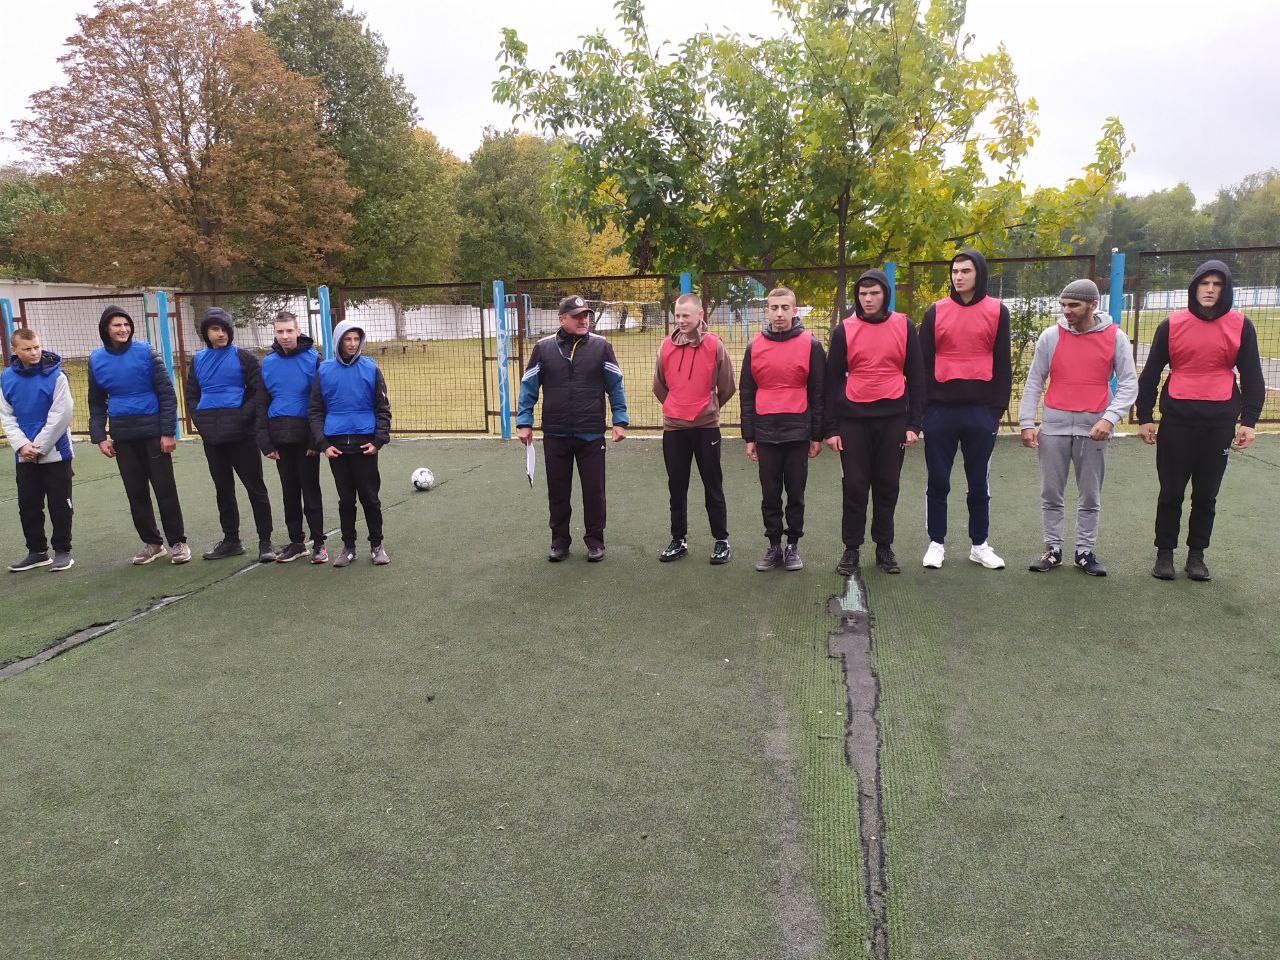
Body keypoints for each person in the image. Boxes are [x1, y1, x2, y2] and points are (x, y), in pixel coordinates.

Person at [1136, 260, 1265, 582]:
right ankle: (1164, 554)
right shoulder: (1172, 324)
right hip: (1176, 422)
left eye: (1217, 284)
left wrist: (1249, 421)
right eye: (1204, 283)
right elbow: (1150, 374)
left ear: (1226, 289)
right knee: (1171, 492)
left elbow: (1252, 377)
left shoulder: (1241, 326)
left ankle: (1196, 556)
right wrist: (1144, 417)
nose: (1209, 289)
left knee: (1206, 495)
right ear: (1194, 287)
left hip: (1218, 425)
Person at [1018, 279, 1138, 577]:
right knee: (1050, 493)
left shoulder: (1115, 337)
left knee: (1090, 496)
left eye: (1074, 305)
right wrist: (1027, 423)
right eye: (1064, 305)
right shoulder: (1050, 336)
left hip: (1094, 429)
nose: (1067, 311)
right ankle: (1052, 549)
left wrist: (1109, 418)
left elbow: (1128, 383)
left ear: (1093, 305)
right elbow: (1034, 381)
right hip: (1053, 428)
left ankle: (1084, 552)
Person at [823, 270, 925, 576]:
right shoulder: (844, 330)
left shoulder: (904, 326)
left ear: (885, 295)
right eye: (863, 293)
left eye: (874, 293)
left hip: (893, 419)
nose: (868, 299)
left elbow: (917, 377)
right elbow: (831, 382)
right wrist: (831, 428)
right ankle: (851, 548)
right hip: (853, 420)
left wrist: (914, 424)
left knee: (887, 484)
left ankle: (884, 547)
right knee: (854, 485)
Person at [516, 295, 629, 563]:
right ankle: (559, 542)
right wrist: (524, 421)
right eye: (577, 316)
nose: (583, 320)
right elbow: (529, 386)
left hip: (591, 433)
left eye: (586, 315)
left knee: (594, 491)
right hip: (555, 433)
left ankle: (595, 541)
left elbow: (615, 385)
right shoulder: (543, 348)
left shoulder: (601, 347)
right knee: (558, 492)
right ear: (562, 319)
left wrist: (620, 419)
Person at [919, 249, 1012, 570]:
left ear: (979, 274)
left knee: (978, 483)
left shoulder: (997, 311)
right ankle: (936, 543)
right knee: (938, 481)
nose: (958, 277)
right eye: (955, 271)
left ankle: (979, 545)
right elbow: (922, 364)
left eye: (965, 271)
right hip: (940, 413)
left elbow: (1002, 362)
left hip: (981, 412)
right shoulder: (935, 312)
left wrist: (996, 410)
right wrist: (923, 411)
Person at [88, 305, 190, 564]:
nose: (123, 329)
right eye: (117, 325)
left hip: (153, 433)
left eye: (126, 324)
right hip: (123, 436)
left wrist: (167, 432)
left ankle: (178, 542)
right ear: (106, 329)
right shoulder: (96, 359)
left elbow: (167, 393)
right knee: (136, 492)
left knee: (165, 490)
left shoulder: (146, 352)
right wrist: (100, 436)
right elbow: (96, 402)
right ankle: (153, 543)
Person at [740, 287, 825, 572]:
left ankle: (793, 547)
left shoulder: (811, 345)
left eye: (785, 308)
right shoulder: (754, 346)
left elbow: (818, 393)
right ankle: (774, 545)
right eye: (774, 308)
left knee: (796, 494)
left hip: (798, 432)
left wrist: (816, 435)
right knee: (770, 494)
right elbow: (747, 393)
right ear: (766, 312)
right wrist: (749, 436)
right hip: (766, 432)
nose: (779, 313)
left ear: (794, 311)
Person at [653, 292, 737, 565]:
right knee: (676, 487)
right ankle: (678, 539)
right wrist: (675, 408)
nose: (680, 320)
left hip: (706, 428)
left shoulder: (714, 345)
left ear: (700, 315)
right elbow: (659, 386)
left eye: (685, 315)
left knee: (713, 485)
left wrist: (708, 409)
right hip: (674, 429)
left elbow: (727, 386)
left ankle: (721, 540)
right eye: (677, 315)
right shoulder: (666, 346)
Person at [186, 307, 275, 562]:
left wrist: (240, 418)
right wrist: (202, 422)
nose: (221, 334)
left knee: (256, 489)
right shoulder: (198, 360)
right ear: (206, 333)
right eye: (215, 329)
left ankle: (265, 542)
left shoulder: (244, 358)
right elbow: (192, 395)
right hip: (213, 440)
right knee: (223, 491)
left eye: (225, 329)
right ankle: (231, 541)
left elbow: (258, 393)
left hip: (242, 437)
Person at [309, 318, 392, 568]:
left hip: (365, 446)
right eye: (347, 339)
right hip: (337, 448)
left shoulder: (371, 368)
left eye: (356, 339)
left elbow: (383, 408)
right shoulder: (324, 371)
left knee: (370, 498)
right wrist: (324, 444)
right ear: (338, 341)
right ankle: (348, 547)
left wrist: (378, 441)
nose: (353, 344)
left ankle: (377, 545)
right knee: (346, 500)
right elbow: (315, 410)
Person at [2, 328, 75, 572]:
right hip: (24, 455)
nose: (34, 352)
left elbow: (61, 414)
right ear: (14, 350)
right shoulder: (6, 378)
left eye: (36, 347)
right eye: (27, 349)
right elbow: (7, 415)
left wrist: (39, 446)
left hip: (56, 453)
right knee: (28, 505)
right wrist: (22, 445)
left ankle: (63, 551)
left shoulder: (58, 376)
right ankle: (37, 552)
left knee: (59, 504)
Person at [257, 310, 326, 564]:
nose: (285, 336)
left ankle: (319, 544)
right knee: (289, 493)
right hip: (279, 438)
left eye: (289, 331)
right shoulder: (268, 362)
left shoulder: (314, 359)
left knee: (311, 491)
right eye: (280, 331)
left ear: (298, 331)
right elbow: (261, 404)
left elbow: (321, 401)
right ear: (275, 333)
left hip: (306, 439)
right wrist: (265, 442)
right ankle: (297, 543)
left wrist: (316, 440)